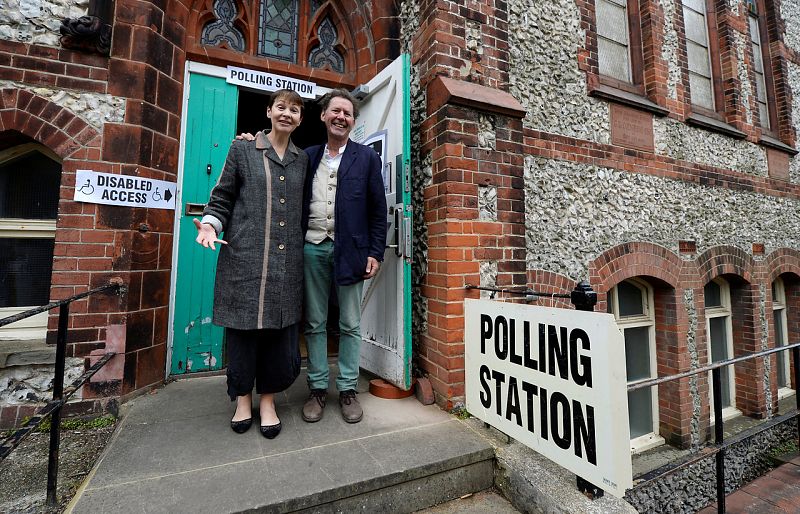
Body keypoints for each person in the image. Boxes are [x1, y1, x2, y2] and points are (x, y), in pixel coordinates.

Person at [194, 89, 307, 438]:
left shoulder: (303, 159)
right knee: (243, 334)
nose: (287, 114)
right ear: (269, 111)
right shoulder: (242, 149)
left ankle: (269, 402)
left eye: (295, 109)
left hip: (286, 264)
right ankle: (243, 401)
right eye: (281, 107)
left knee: (277, 335)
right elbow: (222, 196)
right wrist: (210, 225)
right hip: (245, 259)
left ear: (301, 118)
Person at [301, 89, 387, 424]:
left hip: (351, 250)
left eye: (347, 113)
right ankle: (318, 388)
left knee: (350, 323)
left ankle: (348, 388)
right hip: (311, 247)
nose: (341, 117)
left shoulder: (366, 158)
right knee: (315, 322)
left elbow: (378, 213)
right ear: (323, 116)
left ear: (353, 121)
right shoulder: (306, 156)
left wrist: (375, 253)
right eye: (335, 111)